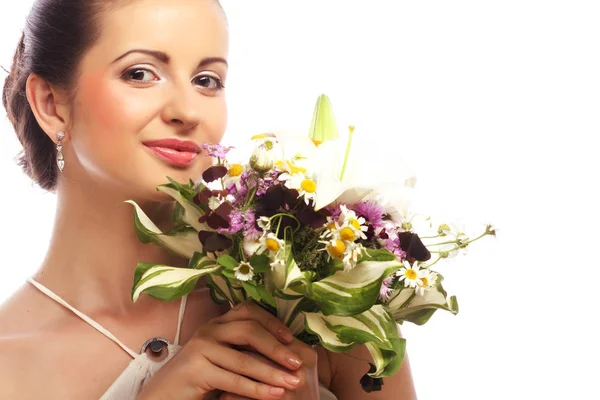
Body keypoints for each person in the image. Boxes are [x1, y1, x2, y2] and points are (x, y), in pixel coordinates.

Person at [0, 0, 417, 398]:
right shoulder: (9, 363)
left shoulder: (320, 300)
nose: (188, 110)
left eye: (207, 81)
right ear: (51, 103)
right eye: (140, 74)